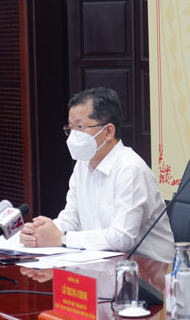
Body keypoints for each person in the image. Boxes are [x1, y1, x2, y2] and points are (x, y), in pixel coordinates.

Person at [19, 87, 175, 262]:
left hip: (150, 272)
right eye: (70, 128)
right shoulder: (82, 165)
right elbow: (72, 217)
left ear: (108, 131)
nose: (73, 136)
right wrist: (41, 233)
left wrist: (61, 238)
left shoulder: (130, 169)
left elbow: (122, 237)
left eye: (80, 127)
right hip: (103, 263)